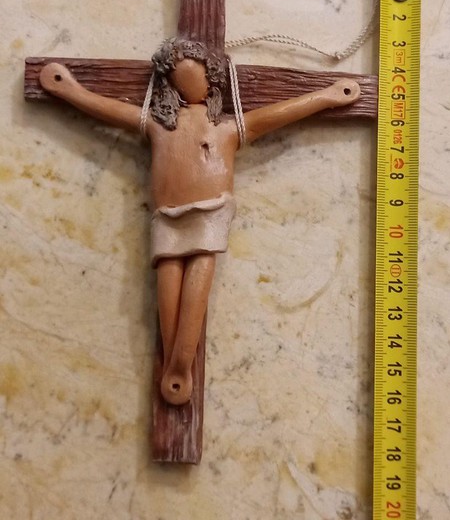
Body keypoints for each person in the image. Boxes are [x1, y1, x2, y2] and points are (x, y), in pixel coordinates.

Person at [39, 38, 360, 405]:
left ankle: (180, 363)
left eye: (198, 78)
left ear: (213, 80)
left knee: (199, 278)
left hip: (211, 209)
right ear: (169, 84)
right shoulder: (158, 124)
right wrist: (70, 91)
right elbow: (110, 110)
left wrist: (327, 96)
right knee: (168, 278)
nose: (191, 86)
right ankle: (175, 364)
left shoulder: (226, 127)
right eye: (181, 79)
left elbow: (277, 114)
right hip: (167, 213)